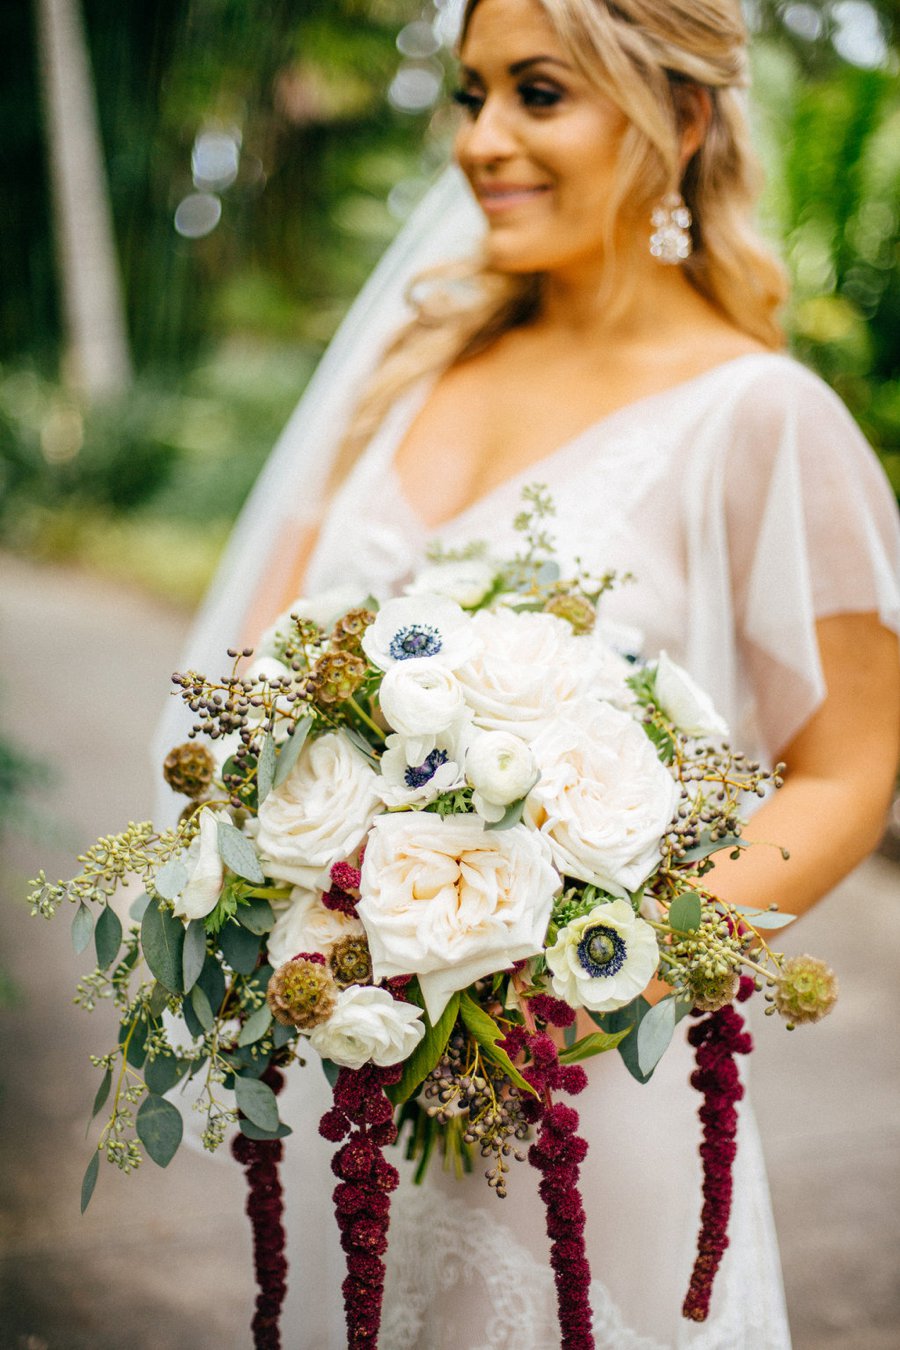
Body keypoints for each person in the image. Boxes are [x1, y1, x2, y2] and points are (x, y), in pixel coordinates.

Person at [161, 0, 900, 1344]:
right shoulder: (417, 365)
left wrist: (608, 965)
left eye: (538, 94)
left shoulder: (762, 415)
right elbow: (250, 686)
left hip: (587, 1098)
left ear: (680, 117)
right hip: (373, 1090)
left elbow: (852, 762)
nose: (482, 141)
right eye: (472, 94)